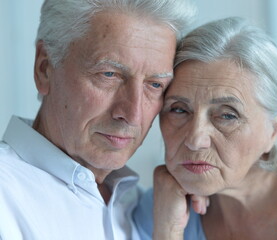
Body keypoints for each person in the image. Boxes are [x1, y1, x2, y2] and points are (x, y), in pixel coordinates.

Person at [133, 17, 277, 240]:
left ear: (274, 129)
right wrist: (168, 231)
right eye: (179, 110)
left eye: (227, 115)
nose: (195, 139)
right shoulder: (160, 208)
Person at [0, 0, 196, 239]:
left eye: (154, 85)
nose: (133, 115)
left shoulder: (142, 206)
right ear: (44, 68)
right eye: (109, 74)